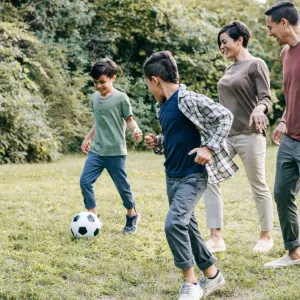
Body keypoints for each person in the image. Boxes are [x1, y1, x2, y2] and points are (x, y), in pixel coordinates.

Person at [143, 51, 237, 300]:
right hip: (171, 176)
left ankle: (191, 283)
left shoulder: (188, 99)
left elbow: (225, 117)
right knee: (188, 227)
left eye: (146, 83)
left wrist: (209, 147)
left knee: (174, 224)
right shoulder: (161, 106)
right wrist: (158, 141)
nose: (148, 89)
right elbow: (177, 136)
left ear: (155, 80)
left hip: (193, 175)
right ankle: (213, 274)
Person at [203, 21, 274, 254]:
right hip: (225, 136)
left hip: (250, 134)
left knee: (258, 185)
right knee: (209, 176)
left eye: (224, 42)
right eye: (220, 44)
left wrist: (259, 109)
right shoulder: (229, 69)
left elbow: (266, 98)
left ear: (239, 40)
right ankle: (216, 238)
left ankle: (266, 236)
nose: (221, 47)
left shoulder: (256, 64)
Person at [79, 58, 143, 234]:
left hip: (115, 151)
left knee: (122, 186)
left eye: (102, 82)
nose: (98, 86)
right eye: (95, 82)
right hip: (97, 150)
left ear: (113, 78)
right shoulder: (94, 97)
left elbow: (129, 120)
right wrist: (88, 138)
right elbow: (98, 122)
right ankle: (92, 217)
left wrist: (135, 130)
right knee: (85, 181)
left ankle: (132, 214)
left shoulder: (121, 98)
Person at [264, 1, 300, 268]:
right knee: (282, 192)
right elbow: (291, 95)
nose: (269, 33)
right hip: (290, 138)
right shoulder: (285, 54)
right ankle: (294, 253)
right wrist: (283, 121)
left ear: (284, 23)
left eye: (271, 27)